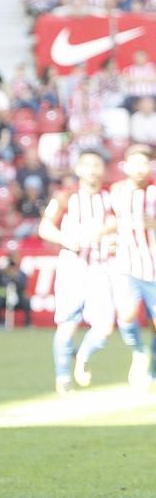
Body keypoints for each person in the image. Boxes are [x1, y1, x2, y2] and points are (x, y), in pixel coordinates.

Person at [38, 151, 118, 395]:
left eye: (97, 165)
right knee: (67, 324)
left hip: (103, 267)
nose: (93, 170)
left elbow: (121, 227)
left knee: (104, 328)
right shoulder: (66, 196)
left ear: (103, 170)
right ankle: (63, 377)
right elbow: (45, 228)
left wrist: (114, 239)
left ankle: (82, 355)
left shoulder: (112, 197)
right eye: (88, 165)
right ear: (79, 169)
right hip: (73, 268)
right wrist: (66, 239)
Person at [106, 147, 155, 395]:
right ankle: (138, 350)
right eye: (134, 163)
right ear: (125, 166)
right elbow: (110, 222)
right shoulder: (116, 192)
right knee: (125, 316)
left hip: (154, 266)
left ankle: (153, 372)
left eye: (144, 163)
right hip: (127, 265)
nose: (140, 168)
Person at [0, 255, 32, 328]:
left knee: (26, 301)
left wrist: (15, 278)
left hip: (18, 297)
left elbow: (23, 288)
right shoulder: (1, 274)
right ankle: (0, 322)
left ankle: (28, 323)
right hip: (4, 297)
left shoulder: (21, 274)